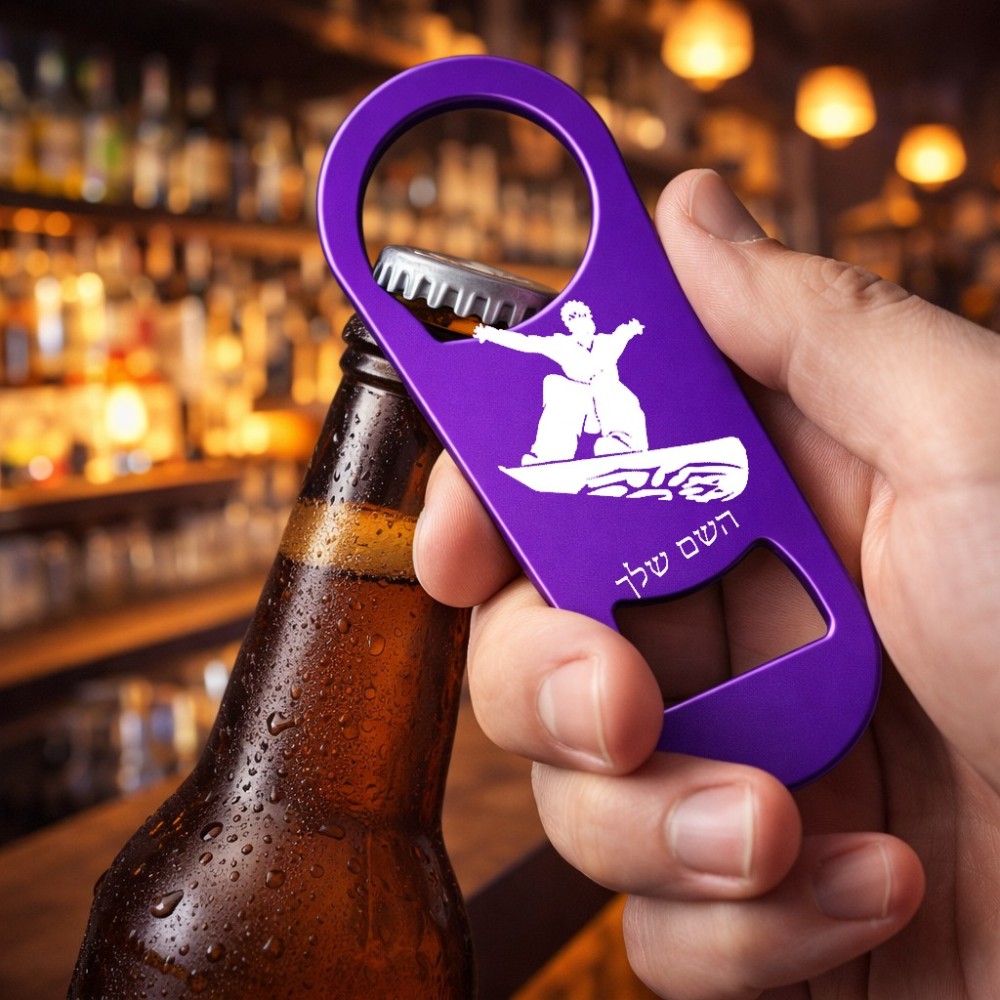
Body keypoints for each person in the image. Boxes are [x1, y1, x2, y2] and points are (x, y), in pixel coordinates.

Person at [412, 168, 1000, 998]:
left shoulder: (602, 337)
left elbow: (620, 336)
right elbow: (523, 347)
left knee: (603, 435)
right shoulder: (561, 347)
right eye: (569, 317)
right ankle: (579, 464)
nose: (573, 318)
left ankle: (619, 463)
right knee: (557, 423)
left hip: (631, 417)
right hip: (597, 427)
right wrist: (486, 348)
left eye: (577, 314)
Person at [474, 299, 648, 464]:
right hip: (581, 400)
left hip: (609, 400)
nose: (581, 322)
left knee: (618, 394)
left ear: (590, 319)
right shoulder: (562, 345)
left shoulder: (607, 342)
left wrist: (633, 327)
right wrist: (491, 334)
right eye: (575, 318)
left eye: (584, 316)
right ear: (569, 325)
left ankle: (623, 443)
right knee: (558, 387)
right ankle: (550, 454)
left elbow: (625, 332)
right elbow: (527, 343)